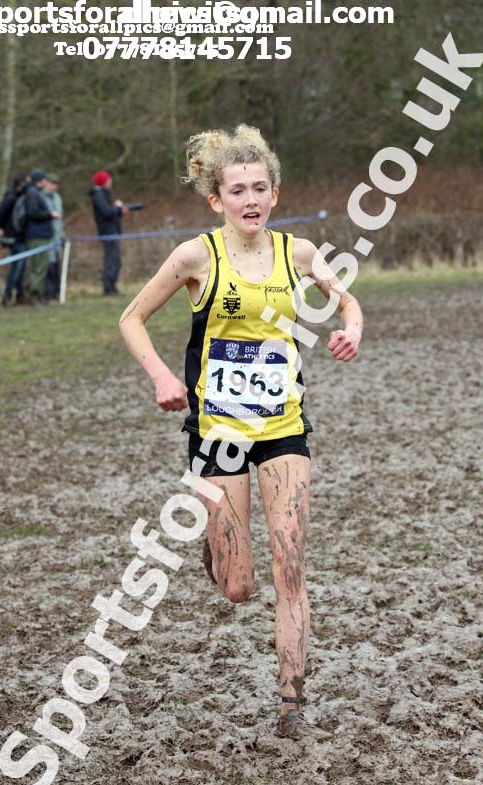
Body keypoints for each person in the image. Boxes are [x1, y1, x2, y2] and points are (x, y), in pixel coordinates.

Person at [119, 125, 363, 739]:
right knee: (238, 586)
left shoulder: (300, 256)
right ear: (216, 200)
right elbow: (131, 318)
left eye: (260, 188)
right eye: (237, 190)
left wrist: (350, 330)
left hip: (283, 428)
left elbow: (347, 302)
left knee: (291, 565)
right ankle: (216, 545)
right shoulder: (196, 257)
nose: (249, 199)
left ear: (275, 195)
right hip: (218, 433)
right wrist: (160, 379)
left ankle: (292, 706)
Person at [25, 168, 60, 305]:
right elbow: (33, 213)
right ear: (39, 180)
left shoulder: (35, 192)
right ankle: (35, 296)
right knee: (39, 268)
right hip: (37, 236)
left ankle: (38, 295)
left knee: (42, 267)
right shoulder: (33, 193)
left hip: (42, 234)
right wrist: (49, 214)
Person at [89, 171, 128, 296]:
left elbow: (110, 212)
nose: (110, 182)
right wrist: (117, 208)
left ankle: (112, 287)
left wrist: (119, 211)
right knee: (111, 260)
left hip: (112, 232)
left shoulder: (104, 194)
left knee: (115, 260)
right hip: (108, 233)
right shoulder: (99, 195)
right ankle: (108, 288)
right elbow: (106, 212)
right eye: (108, 180)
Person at [0, 174, 28, 306]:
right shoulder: (11, 198)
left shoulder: (19, 198)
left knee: (21, 266)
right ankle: (7, 295)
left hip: (19, 236)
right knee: (16, 267)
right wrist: (4, 228)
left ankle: (19, 295)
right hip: (14, 237)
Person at [42, 173, 65, 301]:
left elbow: (60, 219)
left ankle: (56, 291)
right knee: (48, 265)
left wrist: (62, 235)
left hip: (57, 236)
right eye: (52, 184)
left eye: (56, 185)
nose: (54, 187)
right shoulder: (41, 197)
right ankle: (48, 292)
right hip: (47, 237)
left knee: (57, 264)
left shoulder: (57, 198)